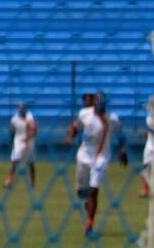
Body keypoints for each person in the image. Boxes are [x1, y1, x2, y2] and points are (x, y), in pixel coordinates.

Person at [64, 90, 127, 239]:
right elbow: (75, 126)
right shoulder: (84, 114)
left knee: (93, 191)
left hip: (101, 158)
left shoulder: (112, 118)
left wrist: (123, 150)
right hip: (83, 156)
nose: (100, 105)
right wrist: (70, 137)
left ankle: (89, 226)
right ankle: (87, 200)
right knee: (81, 192)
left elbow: (120, 133)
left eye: (103, 103)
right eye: (98, 102)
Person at [5, 102, 37, 188]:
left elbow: (34, 129)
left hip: (29, 141)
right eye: (19, 108)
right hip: (18, 140)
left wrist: (29, 137)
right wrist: (12, 141)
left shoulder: (30, 116)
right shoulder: (14, 119)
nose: (21, 109)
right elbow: (12, 131)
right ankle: (9, 181)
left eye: (22, 108)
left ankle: (32, 182)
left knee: (30, 162)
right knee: (14, 161)